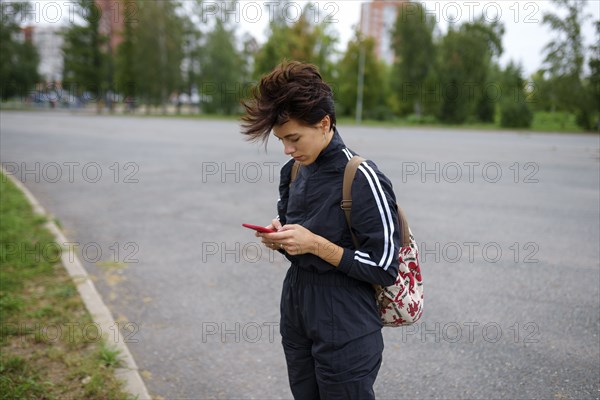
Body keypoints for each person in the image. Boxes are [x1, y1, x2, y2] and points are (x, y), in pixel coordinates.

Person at [241, 61, 401, 400]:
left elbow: (385, 266)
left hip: (345, 318)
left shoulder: (361, 177)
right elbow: (296, 237)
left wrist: (315, 244)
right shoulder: (294, 172)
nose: (287, 149)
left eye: (294, 138)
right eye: (282, 140)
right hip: (297, 308)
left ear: (324, 123)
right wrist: (280, 239)